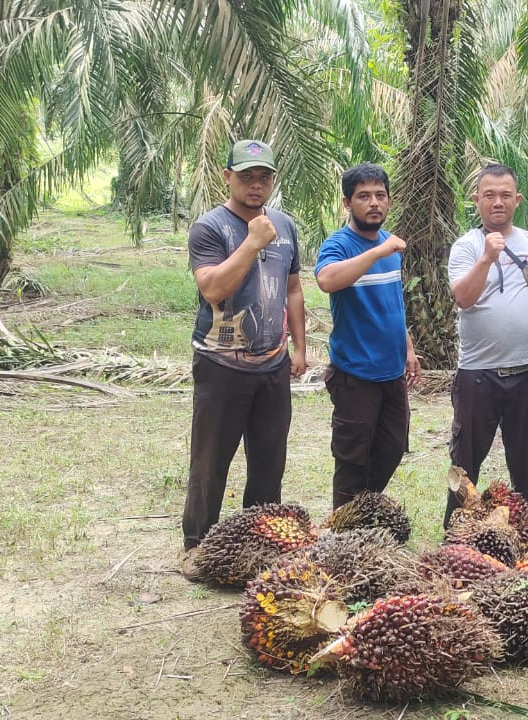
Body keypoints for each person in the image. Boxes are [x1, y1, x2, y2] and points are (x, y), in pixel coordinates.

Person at [181, 139, 308, 577]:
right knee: (210, 461)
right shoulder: (209, 228)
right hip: (221, 365)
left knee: (269, 461)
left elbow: (293, 288)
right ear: (227, 177)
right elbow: (212, 288)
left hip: (272, 363)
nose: (256, 185)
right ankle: (197, 547)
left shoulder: (285, 225)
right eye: (247, 176)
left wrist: (299, 347)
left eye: (264, 177)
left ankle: (261, 544)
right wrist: (252, 242)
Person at [444, 163, 528, 520]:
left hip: (526, 371)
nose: (497, 202)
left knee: (526, 459)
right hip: (477, 374)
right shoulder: (466, 247)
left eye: (505, 195)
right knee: (465, 460)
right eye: (489, 195)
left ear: (517, 200)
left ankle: (524, 530)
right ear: (476, 200)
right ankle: (456, 532)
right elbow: (463, 298)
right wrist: (486, 258)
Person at [315, 163, 421, 508]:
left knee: (392, 448)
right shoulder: (340, 244)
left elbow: (393, 302)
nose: (374, 203)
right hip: (355, 373)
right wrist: (376, 251)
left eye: (380, 195)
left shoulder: (389, 246)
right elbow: (326, 280)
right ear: (347, 203)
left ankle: (362, 512)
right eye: (363, 196)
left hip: (391, 372)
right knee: (353, 459)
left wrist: (408, 348)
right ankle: (343, 527)